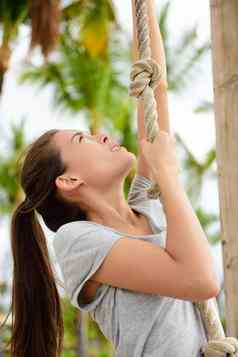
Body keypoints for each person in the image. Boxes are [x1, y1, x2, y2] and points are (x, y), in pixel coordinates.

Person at [4, 1, 220, 356]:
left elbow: (154, 87)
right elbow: (200, 280)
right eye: (82, 139)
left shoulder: (145, 207)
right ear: (69, 181)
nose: (100, 135)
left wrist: (142, 7)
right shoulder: (77, 241)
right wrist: (168, 176)